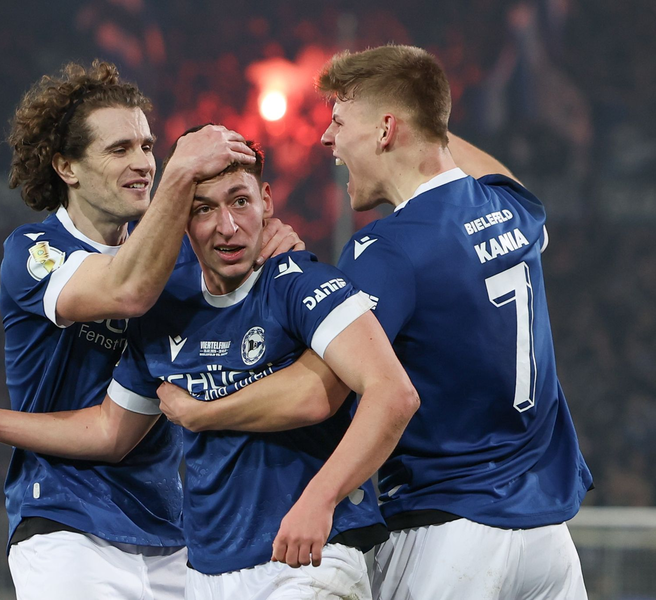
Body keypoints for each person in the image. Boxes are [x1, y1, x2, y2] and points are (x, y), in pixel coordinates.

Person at [157, 44, 593, 600]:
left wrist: (202, 412)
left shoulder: (385, 251)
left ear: (387, 129)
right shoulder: (511, 207)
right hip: (549, 539)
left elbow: (319, 388)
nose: (327, 140)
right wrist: (421, 110)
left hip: (450, 528)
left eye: (339, 121)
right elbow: (484, 169)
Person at [0, 137, 420, 600]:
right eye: (204, 210)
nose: (227, 225)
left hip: (309, 558)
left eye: (241, 201)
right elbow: (109, 431)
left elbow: (390, 394)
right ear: (182, 223)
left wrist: (318, 501)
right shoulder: (164, 310)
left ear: (266, 202)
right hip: (208, 573)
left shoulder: (297, 281)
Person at [0, 61, 301, 600]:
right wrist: (183, 174)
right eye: (119, 150)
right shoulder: (35, 253)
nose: (143, 163)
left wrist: (271, 247)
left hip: (170, 527)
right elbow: (126, 289)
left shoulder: (184, 260)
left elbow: (117, 431)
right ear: (67, 167)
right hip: (65, 520)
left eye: (146, 147)